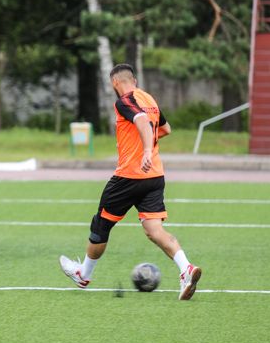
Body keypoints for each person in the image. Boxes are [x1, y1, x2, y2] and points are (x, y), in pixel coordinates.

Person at [59, 63, 202, 300]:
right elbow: (165, 128)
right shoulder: (149, 99)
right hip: (154, 176)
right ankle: (186, 268)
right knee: (154, 230)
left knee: (101, 225)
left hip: (128, 177)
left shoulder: (124, 101)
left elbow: (142, 120)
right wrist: (146, 144)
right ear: (134, 80)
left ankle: (83, 274)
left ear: (115, 83)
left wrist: (145, 150)